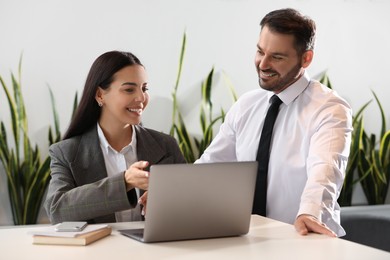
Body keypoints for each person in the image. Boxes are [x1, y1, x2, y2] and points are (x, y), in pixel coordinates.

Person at [195, 8, 352, 237]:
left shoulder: (329, 108)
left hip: (304, 239)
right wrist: (170, 195)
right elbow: (211, 165)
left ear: (306, 58)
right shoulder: (247, 105)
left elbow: (326, 169)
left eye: (277, 57)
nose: (263, 64)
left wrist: (310, 212)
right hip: (247, 240)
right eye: (260, 51)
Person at [44, 51, 186, 224]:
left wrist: (169, 198)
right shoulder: (66, 152)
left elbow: (191, 204)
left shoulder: (166, 146)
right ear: (100, 95)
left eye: (144, 88)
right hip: (97, 251)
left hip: (158, 250)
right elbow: (57, 211)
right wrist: (124, 182)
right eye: (129, 89)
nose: (141, 97)